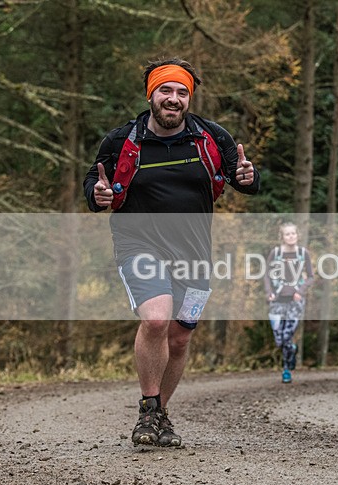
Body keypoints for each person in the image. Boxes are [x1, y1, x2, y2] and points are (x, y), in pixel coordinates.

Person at [83, 58, 260, 447]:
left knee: (180, 338)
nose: (174, 99)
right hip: (138, 244)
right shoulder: (121, 141)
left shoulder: (212, 137)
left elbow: (242, 177)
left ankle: (159, 415)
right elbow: (94, 186)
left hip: (195, 252)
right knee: (157, 319)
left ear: (189, 98)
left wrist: (249, 177)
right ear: (151, 94)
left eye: (182, 92)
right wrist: (96, 196)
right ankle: (148, 409)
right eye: (166, 90)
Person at [264, 223, 314, 383]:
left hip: (295, 302)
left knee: (287, 335)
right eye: (287, 234)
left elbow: (311, 277)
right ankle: (292, 349)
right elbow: (266, 274)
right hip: (277, 300)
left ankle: (286, 370)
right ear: (282, 237)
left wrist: (300, 291)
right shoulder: (276, 253)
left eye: (293, 233)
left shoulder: (302, 253)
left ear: (297, 235)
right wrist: (268, 292)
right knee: (279, 339)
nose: (291, 236)